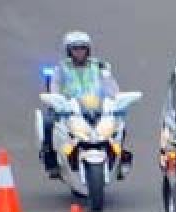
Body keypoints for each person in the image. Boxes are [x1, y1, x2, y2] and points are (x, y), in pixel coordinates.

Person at [39, 31, 119, 175]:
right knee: (48, 122)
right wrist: (58, 101)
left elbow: (111, 87)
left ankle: (120, 158)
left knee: (118, 123)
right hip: (69, 109)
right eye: (75, 48)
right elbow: (54, 89)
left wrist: (114, 98)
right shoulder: (60, 69)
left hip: (96, 107)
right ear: (69, 51)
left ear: (88, 49)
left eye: (82, 48)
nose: (79, 52)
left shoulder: (100, 67)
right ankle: (51, 160)